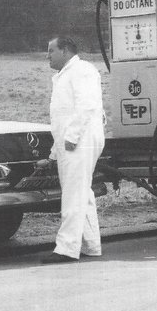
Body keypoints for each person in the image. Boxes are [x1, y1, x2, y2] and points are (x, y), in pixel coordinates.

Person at [38, 35, 107, 263]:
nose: (47, 55)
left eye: (51, 51)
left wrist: (73, 136)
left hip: (81, 139)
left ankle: (67, 248)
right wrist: (55, 152)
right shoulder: (63, 76)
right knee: (81, 191)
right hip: (72, 141)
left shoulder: (82, 70)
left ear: (65, 51)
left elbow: (87, 106)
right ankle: (91, 245)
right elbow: (62, 117)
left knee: (73, 193)